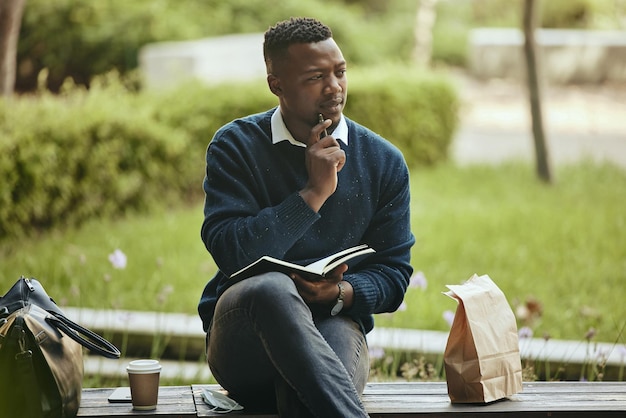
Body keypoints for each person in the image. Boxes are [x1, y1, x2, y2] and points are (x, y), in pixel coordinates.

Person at [198, 17, 415, 417]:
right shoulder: (235, 146)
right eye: (316, 77)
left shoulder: (383, 161)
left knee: (311, 391)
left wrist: (338, 294)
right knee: (272, 288)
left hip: (333, 324)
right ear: (276, 84)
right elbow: (232, 253)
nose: (334, 87)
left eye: (340, 72)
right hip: (244, 338)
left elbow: (394, 274)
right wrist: (313, 194)